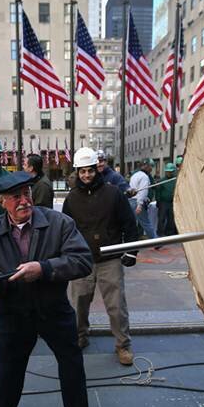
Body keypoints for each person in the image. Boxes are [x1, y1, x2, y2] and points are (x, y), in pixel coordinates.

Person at [0, 171, 104, 407]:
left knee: (72, 368)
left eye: (27, 193)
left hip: (54, 310)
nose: (24, 201)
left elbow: (82, 261)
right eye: (15, 196)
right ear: (1, 202)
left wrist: (43, 268)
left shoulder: (58, 223)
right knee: (7, 373)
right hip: (14, 314)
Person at [62, 148, 138, 365]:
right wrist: (67, 256)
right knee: (78, 304)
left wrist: (131, 251)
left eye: (90, 171)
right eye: (82, 171)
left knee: (116, 306)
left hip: (110, 259)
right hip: (82, 260)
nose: (86, 175)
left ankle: (123, 345)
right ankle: (80, 337)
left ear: (97, 169)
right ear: (77, 172)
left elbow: (129, 224)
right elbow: (66, 230)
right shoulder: (72, 198)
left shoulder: (113, 193)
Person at [128, 159, 157, 239]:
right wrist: (140, 204)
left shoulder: (135, 175)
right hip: (137, 202)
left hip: (131, 201)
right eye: (150, 166)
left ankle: (131, 240)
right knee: (146, 223)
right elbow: (143, 190)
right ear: (146, 166)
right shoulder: (144, 177)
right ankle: (156, 242)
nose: (151, 169)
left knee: (131, 223)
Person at [155, 162, 178, 236]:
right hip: (163, 202)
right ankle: (160, 233)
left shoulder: (176, 180)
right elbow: (158, 191)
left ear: (173, 171)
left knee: (171, 218)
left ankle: (169, 233)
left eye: (170, 172)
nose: (168, 173)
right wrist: (158, 201)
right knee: (161, 218)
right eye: (167, 171)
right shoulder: (162, 180)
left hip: (173, 202)